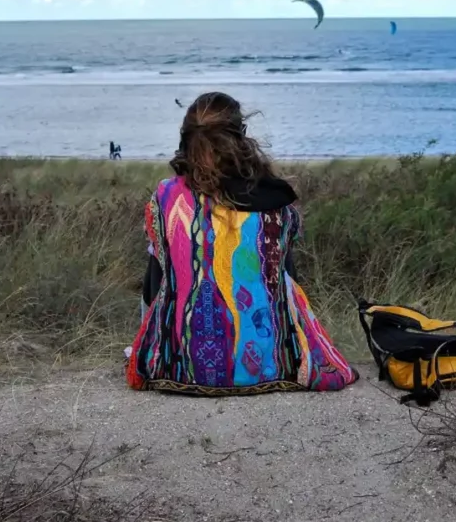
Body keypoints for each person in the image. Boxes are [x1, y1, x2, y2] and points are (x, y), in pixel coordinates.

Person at [125, 92, 358, 395]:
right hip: (268, 365)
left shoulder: (167, 196)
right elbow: (288, 277)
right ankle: (280, 350)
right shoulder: (276, 198)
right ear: (241, 136)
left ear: (186, 139)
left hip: (177, 367)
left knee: (160, 261)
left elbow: (153, 285)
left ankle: (157, 350)